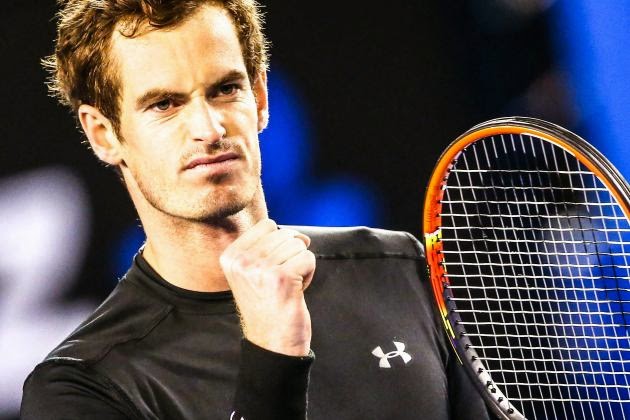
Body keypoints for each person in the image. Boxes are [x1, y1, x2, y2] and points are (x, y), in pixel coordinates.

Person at [21, 1, 490, 419]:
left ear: (260, 97)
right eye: (164, 104)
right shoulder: (83, 387)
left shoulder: (397, 267)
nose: (209, 128)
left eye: (225, 89)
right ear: (104, 134)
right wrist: (273, 355)